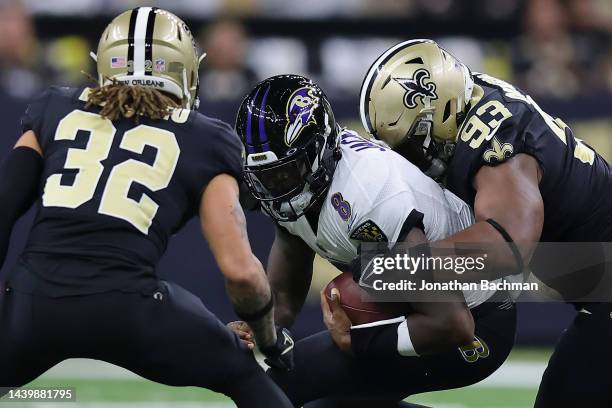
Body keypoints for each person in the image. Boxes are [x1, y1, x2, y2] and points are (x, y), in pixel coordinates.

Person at [0, 8, 293, 407]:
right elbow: (241, 272)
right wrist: (265, 339)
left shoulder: (54, 107)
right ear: (185, 69)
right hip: (130, 307)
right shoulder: (206, 137)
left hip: (34, 302)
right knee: (244, 376)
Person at [230, 75, 517, 407]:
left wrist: (359, 341)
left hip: (475, 317)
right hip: (414, 306)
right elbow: (282, 298)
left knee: (286, 391)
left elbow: (452, 324)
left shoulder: (372, 196)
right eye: (265, 177)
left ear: (318, 151)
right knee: (286, 389)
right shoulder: (290, 188)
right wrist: (255, 331)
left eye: (285, 172)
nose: (277, 188)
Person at [359, 39, 612, 407]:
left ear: (440, 106)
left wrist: (397, 270)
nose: (413, 158)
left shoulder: (493, 140)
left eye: (414, 142)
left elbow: (508, 245)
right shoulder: (467, 98)